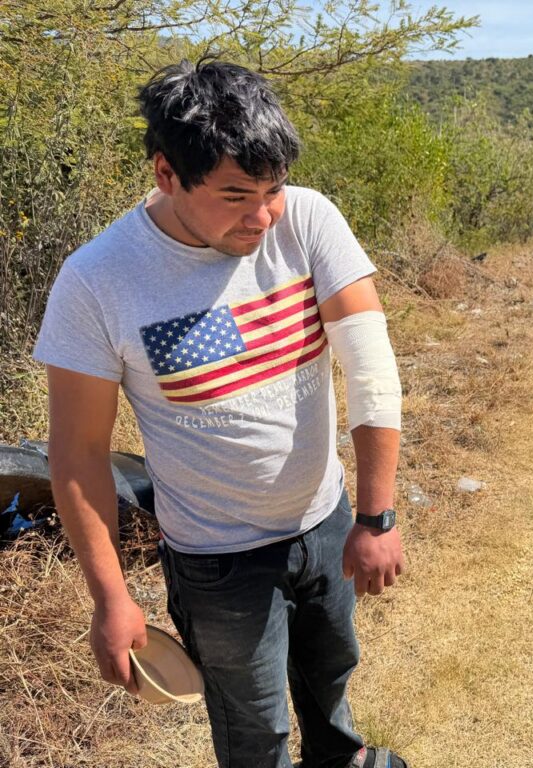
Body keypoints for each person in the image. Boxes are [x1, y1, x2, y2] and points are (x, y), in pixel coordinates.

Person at [33, 59, 406, 768]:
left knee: (330, 682)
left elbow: (370, 365)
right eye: (236, 195)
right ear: (167, 173)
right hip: (216, 559)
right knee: (254, 727)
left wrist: (374, 515)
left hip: (324, 520)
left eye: (272, 191)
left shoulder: (308, 218)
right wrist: (109, 597)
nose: (262, 217)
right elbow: (79, 454)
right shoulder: (98, 280)